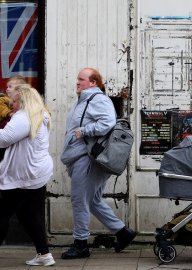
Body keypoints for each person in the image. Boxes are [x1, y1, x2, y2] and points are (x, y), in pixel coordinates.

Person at [0, 85, 55, 267]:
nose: (11, 104)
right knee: (28, 215)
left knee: (1, 213)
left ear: (23, 102)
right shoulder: (40, 114)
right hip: (35, 174)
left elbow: (2, 139)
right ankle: (44, 255)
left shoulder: (24, 118)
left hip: (21, 175)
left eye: (14, 101)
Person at [59, 67, 136, 259]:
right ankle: (123, 233)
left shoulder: (98, 99)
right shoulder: (84, 100)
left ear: (93, 83)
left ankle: (81, 245)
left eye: (81, 79)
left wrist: (84, 131)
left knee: (80, 201)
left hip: (88, 160)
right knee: (92, 201)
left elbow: (108, 122)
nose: (77, 82)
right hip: (83, 159)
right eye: (77, 79)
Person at [0, 75, 28, 168]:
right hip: (1, 126)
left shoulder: (26, 100)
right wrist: (9, 114)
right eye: (7, 87)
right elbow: (0, 109)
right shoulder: (2, 98)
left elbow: (38, 106)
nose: (7, 89)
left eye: (10, 87)